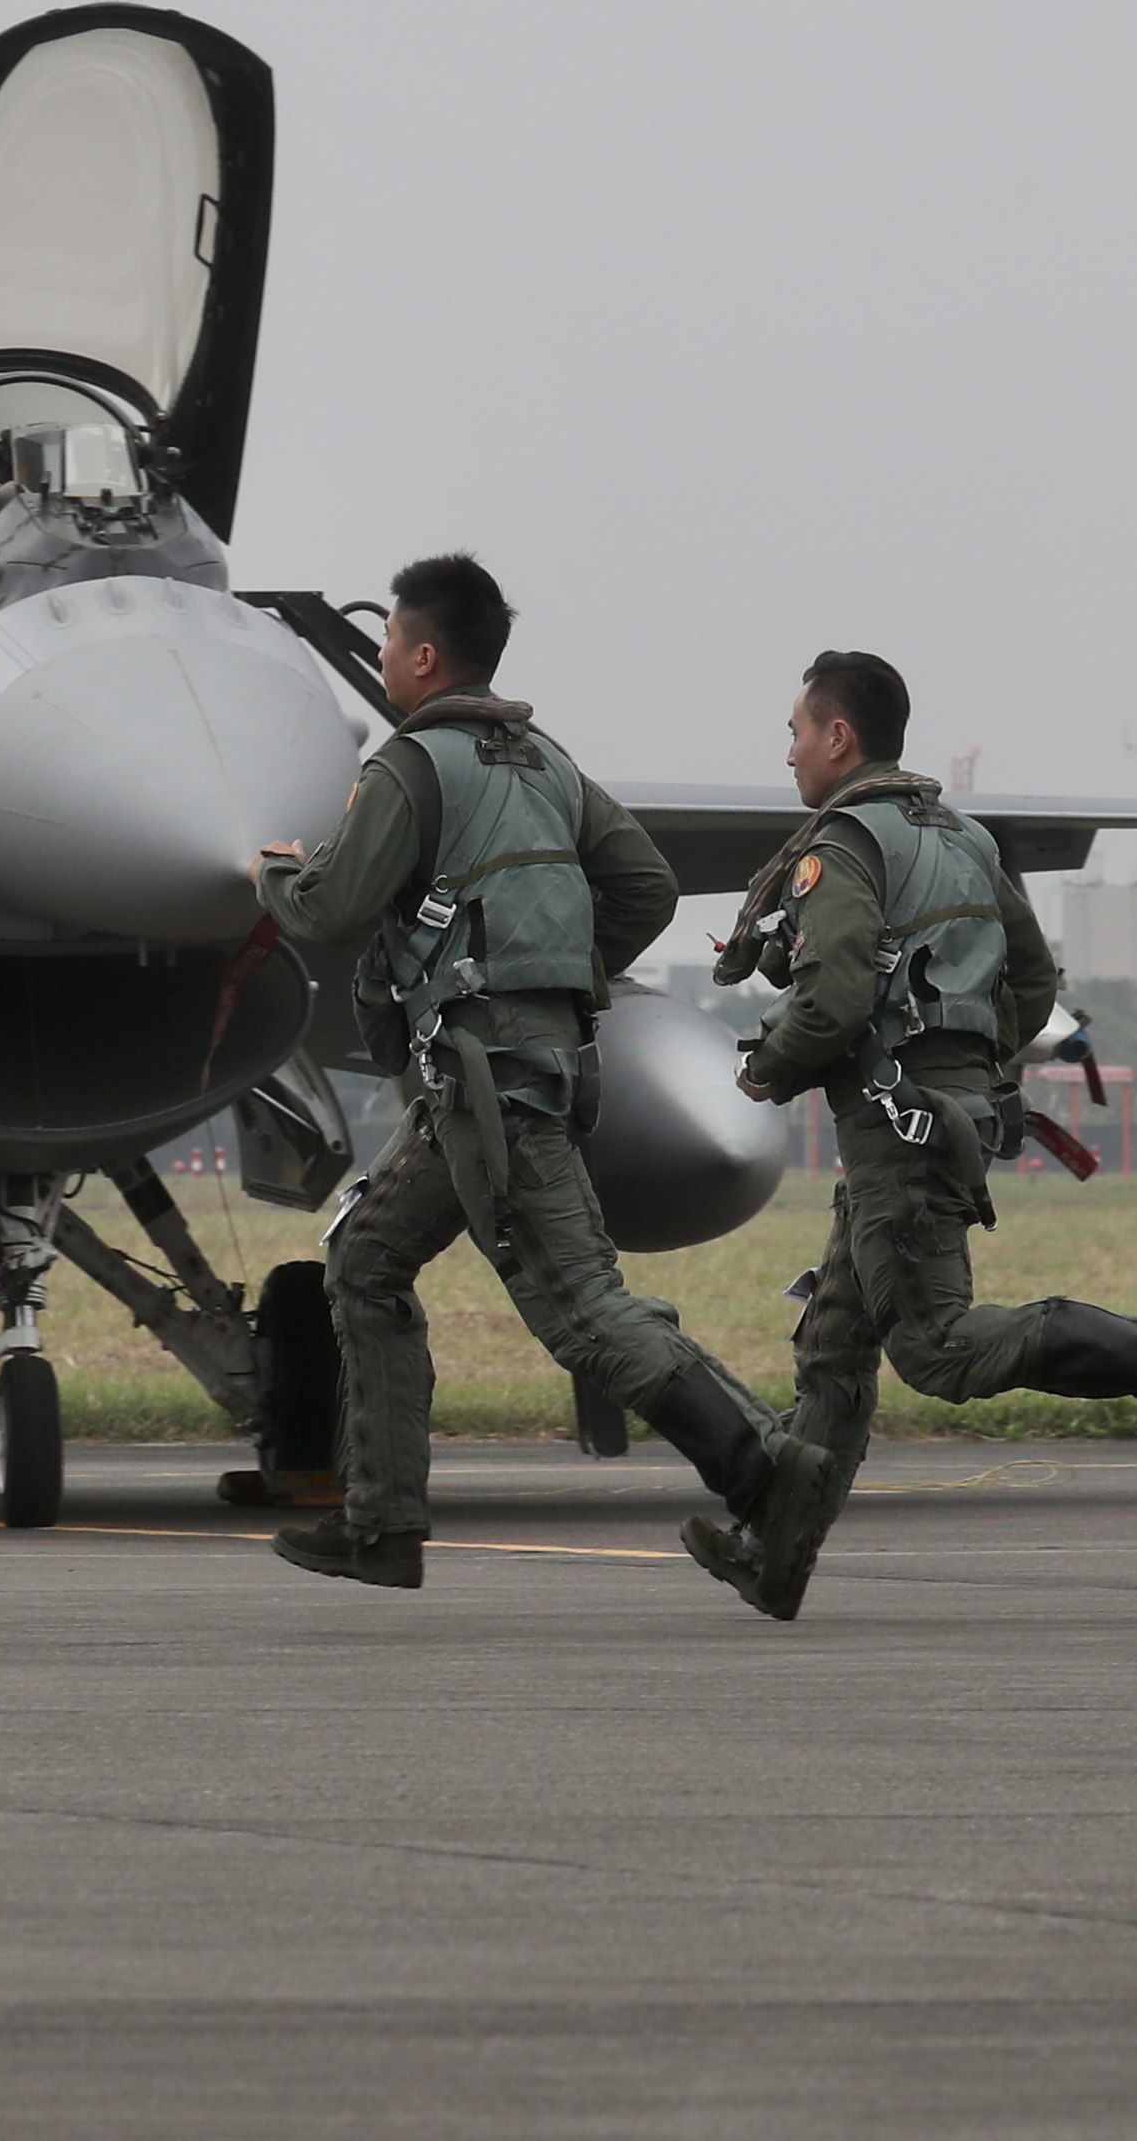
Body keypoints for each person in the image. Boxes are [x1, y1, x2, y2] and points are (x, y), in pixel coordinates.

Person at [253, 553, 841, 1611]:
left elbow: (328, 910)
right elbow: (646, 886)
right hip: (504, 1073)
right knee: (367, 1263)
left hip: (488, 1082)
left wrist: (272, 869)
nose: (381, 655)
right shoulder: (543, 764)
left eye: (388, 639)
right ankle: (381, 1524)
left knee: (583, 1311)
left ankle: (769, 1474)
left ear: (424, 655)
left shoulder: (410, 767)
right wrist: (555, 975)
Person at [698, 651, 1137, 1617]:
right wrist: (968, 1071)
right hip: (930, 1117)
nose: (790, 754)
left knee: (933, 1348)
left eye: (796, 732)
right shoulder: (964, 836)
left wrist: (766, 1066)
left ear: (837, 737)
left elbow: (838, 993)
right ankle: (774, 1552)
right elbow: (1031, 982)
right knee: (834, 1344)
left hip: (897, 1131)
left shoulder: (845, 846)